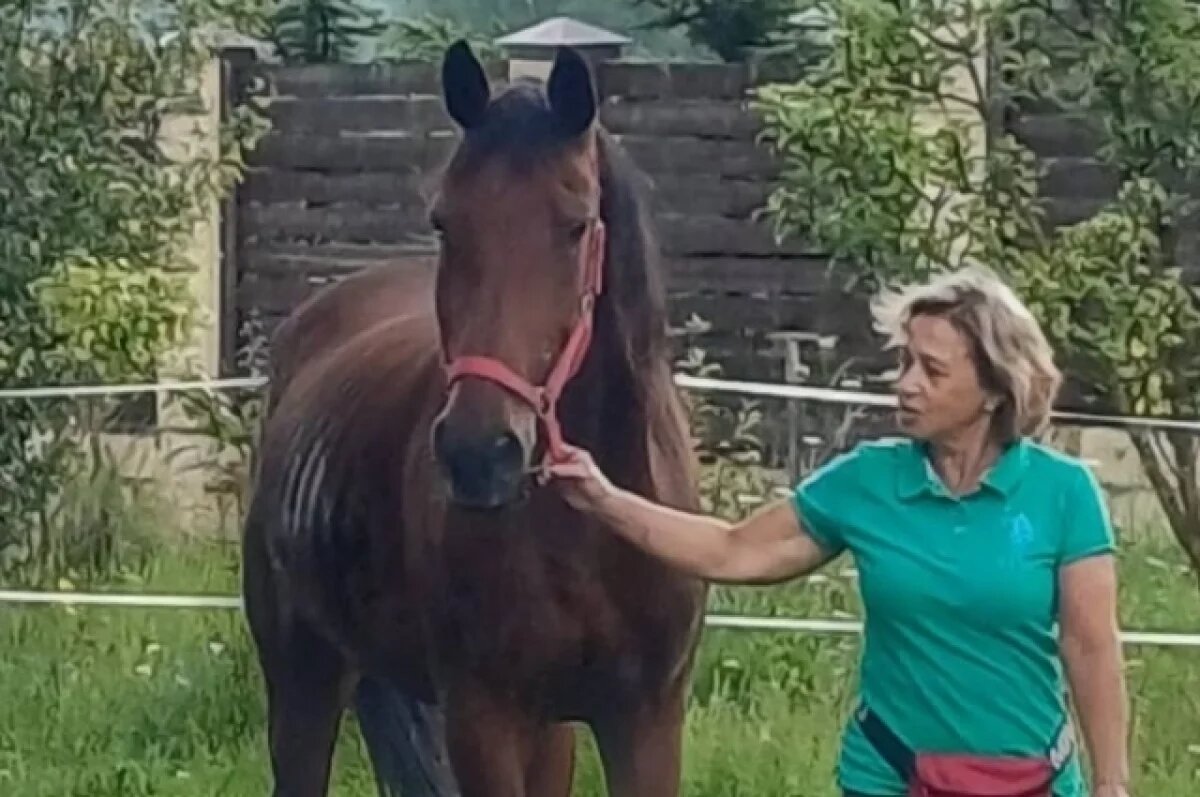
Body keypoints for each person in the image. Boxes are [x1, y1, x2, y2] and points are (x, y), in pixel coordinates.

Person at [550, 265, 1130, 797]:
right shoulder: (867, 481)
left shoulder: (1064, 492)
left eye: (932, 370)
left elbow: (1091, 645)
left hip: (1034, 782)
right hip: (891, 777)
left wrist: (1111, 784)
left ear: (996, 390)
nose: (905, 384)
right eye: (905, 362)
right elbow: (733, 551)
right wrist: (605, 499)